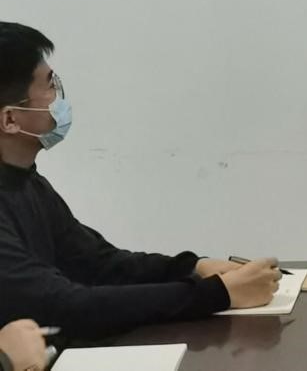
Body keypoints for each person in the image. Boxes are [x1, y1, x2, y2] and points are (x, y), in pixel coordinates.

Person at [0, 22, 281, 339]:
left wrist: (193, 268)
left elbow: (100, 265)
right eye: (51, 86)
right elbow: (64, 305)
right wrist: (217, 294)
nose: (59, 98)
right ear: (10, 119)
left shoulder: (27, 183)